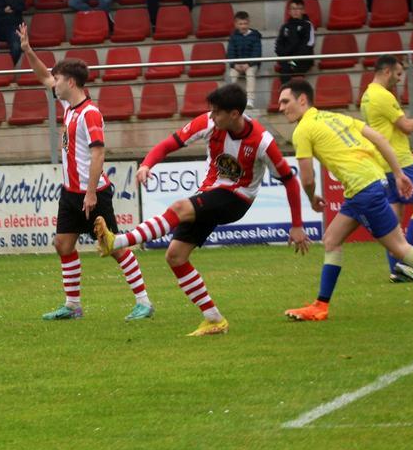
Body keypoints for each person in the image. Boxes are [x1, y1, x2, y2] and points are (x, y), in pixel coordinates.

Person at [95, 83, 308, 336]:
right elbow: (168, 144)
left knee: (180, 208)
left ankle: (118, 241)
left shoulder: (262, 141)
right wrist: (147, 164)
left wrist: (296, 224)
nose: (212, 116)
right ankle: (214, 319)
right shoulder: (208, 123)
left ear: (235, 114)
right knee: (175, 256)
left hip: (237, 199)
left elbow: (289, 180)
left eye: (218, 112)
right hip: (210, 194)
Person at [280, 79, 413, 322]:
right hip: (371, 182)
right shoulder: (338, 117)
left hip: (363, 189)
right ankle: (321, 305)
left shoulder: (302, 130)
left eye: (285, 101)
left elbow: (307, 179)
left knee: (400, 249)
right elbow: (380, 139)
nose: (280, 107)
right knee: (331, 239)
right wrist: (398, 173)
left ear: (302, 100)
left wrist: (311, 199)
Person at [16, 26, 153, 322]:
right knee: (63, 244)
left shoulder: (90, 113)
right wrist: (28, 50)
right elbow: (43, 76)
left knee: (113, 245)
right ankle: (73, 306)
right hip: (70, 193)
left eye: (60, 78)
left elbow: (98, 153)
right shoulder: (69, 104)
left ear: (72, 82)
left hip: (93, 194)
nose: (55, 82)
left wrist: (91, 192)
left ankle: (144, 302)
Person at [359, 55, 413, 283]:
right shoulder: (383, 96)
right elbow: (406, 127)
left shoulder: (367, 96)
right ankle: (404, 263)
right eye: (397, 74)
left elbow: (396, 126)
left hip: (383, 161)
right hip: (401, 160)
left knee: (394, 218)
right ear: (386, 71)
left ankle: (395, 271)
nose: (399, 79)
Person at [225, 10, 261, 109]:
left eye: (245, 23)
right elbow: (230, 53)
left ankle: (250, 100)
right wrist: (234, 65)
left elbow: (257, 53)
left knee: (250, 73)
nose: (243, 26)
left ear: (249, 23)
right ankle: (231, 100)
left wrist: (248, 64)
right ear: (236, 24)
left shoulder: (255, 36)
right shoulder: (233, 37)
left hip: (251, 64)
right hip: (237, 65)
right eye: (240, 24)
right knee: (232, 75)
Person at [275, 0, 314, 77]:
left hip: (301, 59)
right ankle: (286, 88)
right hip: (287, 59)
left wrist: (294, 58)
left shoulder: (308, 25)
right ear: (289, 11)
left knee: (292, 67)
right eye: (293, 9)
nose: (295, 11)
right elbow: (279, 44)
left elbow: (309, 44)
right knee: (286, 66)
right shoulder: (285, 27)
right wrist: (285, 56)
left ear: (303, 11)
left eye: (298, 8)